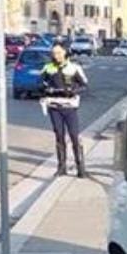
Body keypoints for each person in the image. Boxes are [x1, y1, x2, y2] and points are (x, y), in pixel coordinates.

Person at [40, 43, 88, 177]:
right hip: (54, 107)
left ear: (65, 53)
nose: (57, 56)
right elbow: (39, 85)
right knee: (59, 136)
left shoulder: (74, 68)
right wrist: (46, 90)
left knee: (74, 136)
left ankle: (80, 167)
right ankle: (61, 167)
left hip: (70, 107)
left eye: (59, 52)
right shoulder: (48, 68)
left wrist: (73, 90)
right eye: (54, 53)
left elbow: (84, 85)